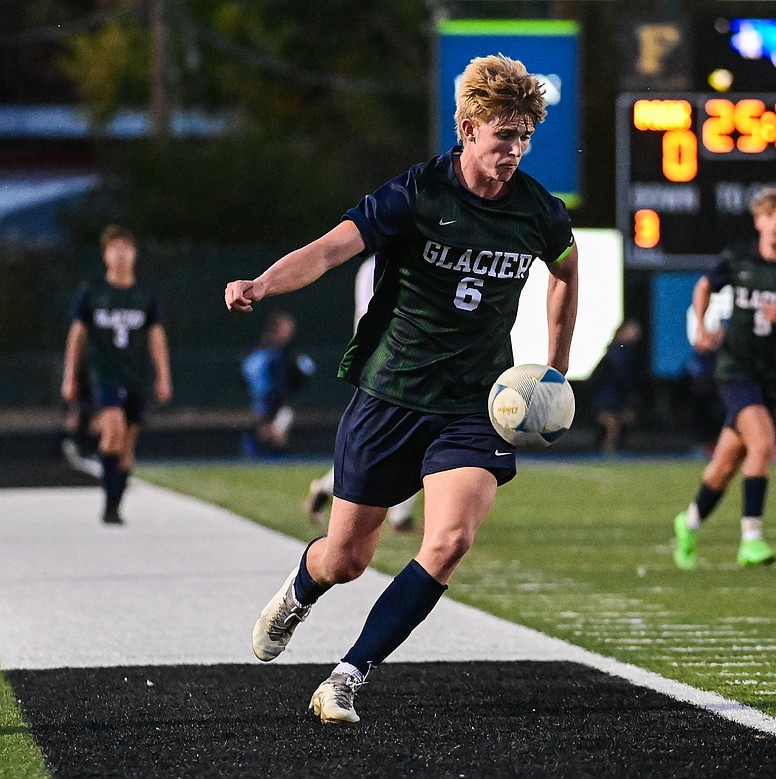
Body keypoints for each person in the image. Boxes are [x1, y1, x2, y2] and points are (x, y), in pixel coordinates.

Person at [224, 54, 578, 724]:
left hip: (476, 405)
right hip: (391, 394)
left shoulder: (538, 211)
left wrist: (553, 367)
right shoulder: (418, 192)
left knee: (449, 541)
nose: (515, 150)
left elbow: (566, 267)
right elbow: (332, 248)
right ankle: (301, 590)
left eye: (525, 136)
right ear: (469, 129)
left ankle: (346, 675)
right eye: (504, 135)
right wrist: (264, 283)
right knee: (348, 557)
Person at [671, 187, 776, 569]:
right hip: (736, 369)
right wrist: (704, 324)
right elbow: (705, 284)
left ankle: (688, 522)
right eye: (772, 216)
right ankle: (751, 539)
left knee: (726, 463)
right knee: (763, 444)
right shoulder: (739, 259)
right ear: (758, 220)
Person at [61, 225, 173, 524]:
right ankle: (109, 499)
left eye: (126, 247)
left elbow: (156, 336)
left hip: (135, 375)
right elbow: (77, 335)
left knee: (127, 445)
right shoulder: (94, 291)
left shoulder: (144, 294)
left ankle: (115, 501)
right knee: (113, 429)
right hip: (104, 373)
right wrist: (69, 375)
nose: (121, 253)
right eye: (115, 248)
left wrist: (163, 375)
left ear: (134, 254)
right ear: (105, 255)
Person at [305, 256, 418, 530]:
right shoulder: (382, 265)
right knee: (404, 440)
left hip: (386, 361)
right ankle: (395, 515)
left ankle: (327, 487)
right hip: (392, 361)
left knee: (399, 441)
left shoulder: (373, 264)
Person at [240, 310, 316, 456]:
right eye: (286, 327)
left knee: (279, 428)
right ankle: (255, 452)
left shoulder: (285, 354)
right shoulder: (266, 355)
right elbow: (259, 382)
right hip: (268, 403)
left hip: (276, 403)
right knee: (270, 433)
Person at [588, 318, 643, 454]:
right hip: (610, 395)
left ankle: (610, 449)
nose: (637, 333)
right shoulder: (618, 351)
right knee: (612, 423)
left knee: (616, 423)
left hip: (615, 395)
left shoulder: (624, 350)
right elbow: (621, 375)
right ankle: (607, 449)